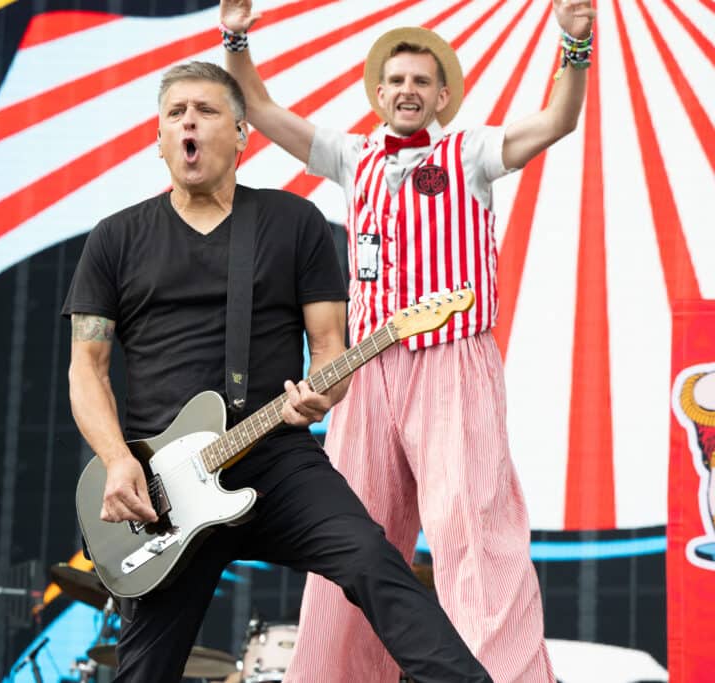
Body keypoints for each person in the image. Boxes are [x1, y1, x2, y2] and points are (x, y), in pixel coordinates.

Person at [63, 61, 492, 683]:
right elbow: (87, 367)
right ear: (158, 140)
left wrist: (321, 394)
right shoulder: (115, 239)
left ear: (241, 135)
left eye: (206, 111)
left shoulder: (293, 224)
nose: (189, 122)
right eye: (175, 112)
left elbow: (329, 351)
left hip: (275, 453)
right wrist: (118, 460)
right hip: (162, 488)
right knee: (144, 669)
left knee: (372, 558)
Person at [219, 1, 595, 681]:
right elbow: (262, 108)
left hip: (452, 360)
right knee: (350, 540)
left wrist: (574, 45)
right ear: (379, 91)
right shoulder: (351, 156)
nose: (407, 91)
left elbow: (558, 121)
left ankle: (502, 677)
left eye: (422, 81)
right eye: (396, 80)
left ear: (442, 95)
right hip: (367, 372)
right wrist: (236, 35)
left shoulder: (470, 152)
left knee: (474, 532)